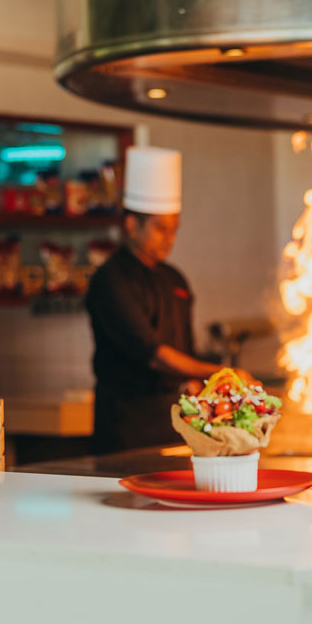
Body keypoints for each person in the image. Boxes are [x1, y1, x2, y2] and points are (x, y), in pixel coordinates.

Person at [86, 146, 232, 452]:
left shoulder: (175, 279)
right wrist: (216, 372)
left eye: (174, 230)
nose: (170, 238)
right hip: (128, 425)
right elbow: (153, 353)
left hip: (178, 421)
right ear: (131, 225)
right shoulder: (110, 279)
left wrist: (199, 387)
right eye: (161, 229)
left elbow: (185, 349)